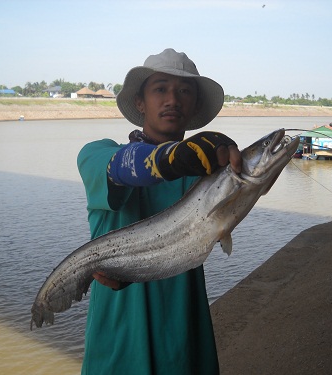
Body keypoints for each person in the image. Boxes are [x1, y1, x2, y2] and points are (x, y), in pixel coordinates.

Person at [77, 48, 242, 375]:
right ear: (140, 102)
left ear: (194, 105)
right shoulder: (97, 155)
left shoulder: (204, 175)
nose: (173, 99)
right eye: (160, 88)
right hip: (119, 344)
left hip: (185, 342)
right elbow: (123, 169)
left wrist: (242, 168)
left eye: (184, 91)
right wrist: (173, 158)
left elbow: (243, 193)